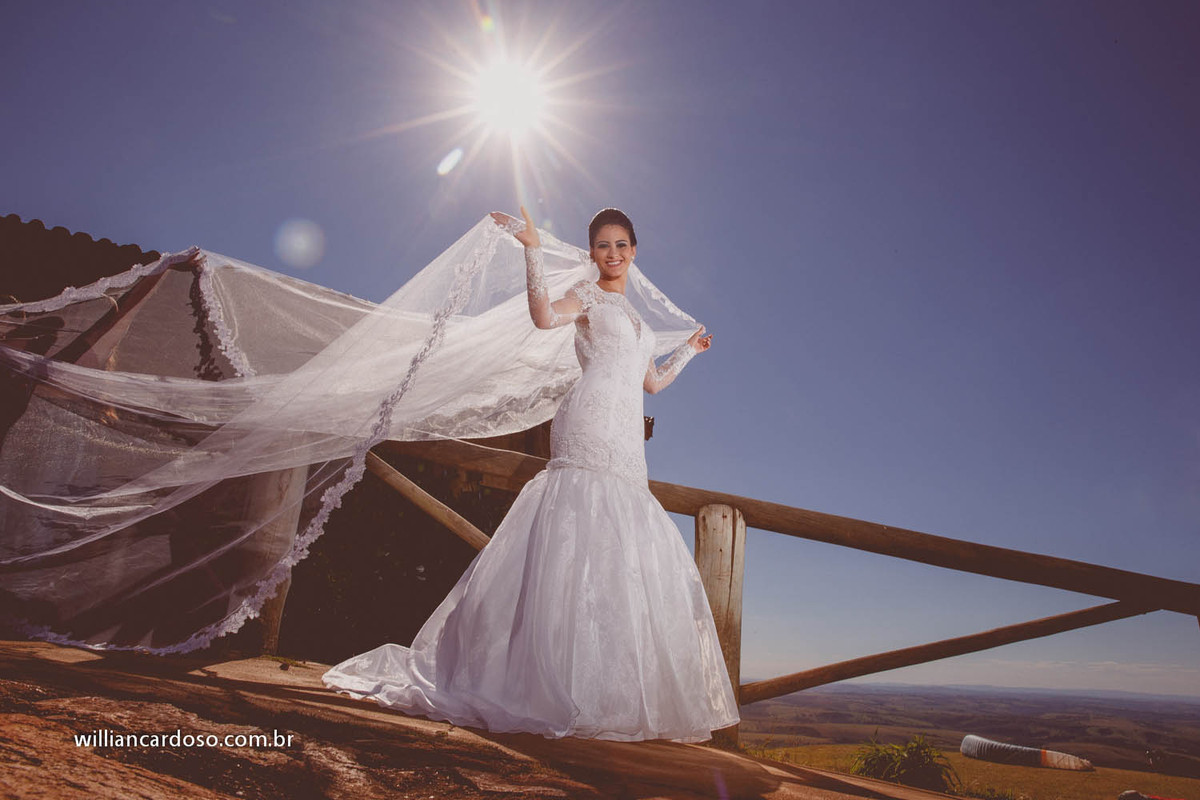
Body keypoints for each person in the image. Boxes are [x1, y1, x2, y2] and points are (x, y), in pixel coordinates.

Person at [321, 205, 740, 742]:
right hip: (587, 422)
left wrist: (690, 351)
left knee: (618, 541)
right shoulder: (588, 297)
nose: (612, 254)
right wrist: (533, 249)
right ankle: (541, 681)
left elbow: (651, 382)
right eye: (602, 246)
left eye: (621, 245)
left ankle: (600, 689)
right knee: (574, 526)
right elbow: (543, 315)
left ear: (634, 251)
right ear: (592, 254)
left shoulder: (639, 322)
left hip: (626, 441)